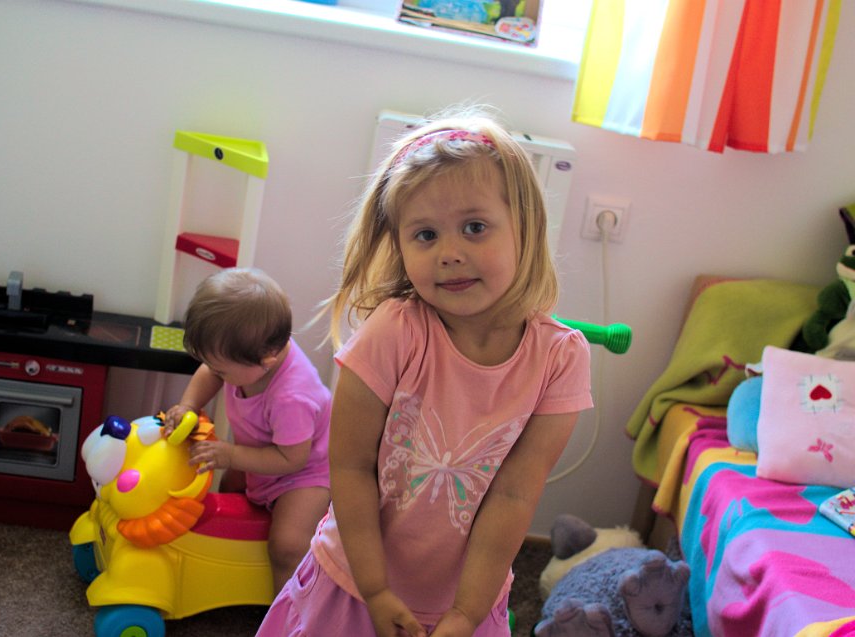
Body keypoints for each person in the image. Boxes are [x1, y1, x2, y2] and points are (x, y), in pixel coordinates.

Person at [255, 105, 594, 637]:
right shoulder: (394, 331)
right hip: (355, 581)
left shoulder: (561, 358)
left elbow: (514, 495)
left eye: (475, 228)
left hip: (467, 598)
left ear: (525, 228)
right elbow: (350, 467)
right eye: (426, 235)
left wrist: (467, 612)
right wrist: (375, 589)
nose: (450, 253)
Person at [163, 267, 332, 594]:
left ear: (266, 361)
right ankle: (232, 569)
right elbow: (209, 373)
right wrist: (188, 406)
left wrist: (231, 455)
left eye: (221, 371)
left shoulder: (293, 397)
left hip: (305, 474)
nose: (215, 374)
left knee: (287, 545)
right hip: (259, 453)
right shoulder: (249, 356)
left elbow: (292, 459)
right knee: (227, 496)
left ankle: (288, 611)